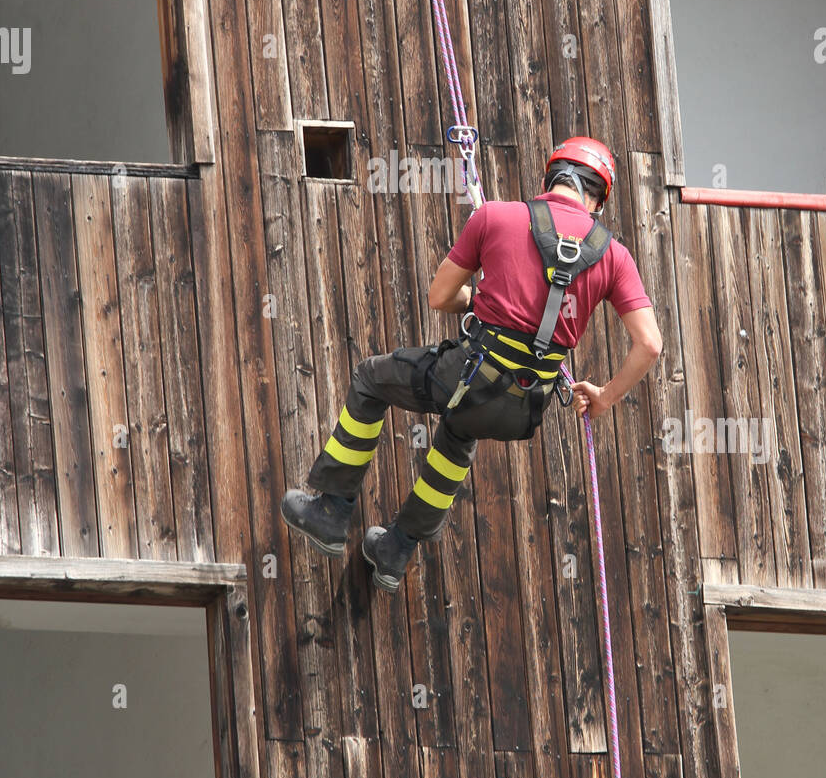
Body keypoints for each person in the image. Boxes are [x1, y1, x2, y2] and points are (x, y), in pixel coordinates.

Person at [281, 137, 662, 592]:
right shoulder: (614, 256)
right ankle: (395, 548)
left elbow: (440, 296)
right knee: (460, 430)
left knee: (370, 380)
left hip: (467, 376)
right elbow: (650, 345)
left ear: (550, 177)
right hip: (523, 408)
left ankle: (331, 509)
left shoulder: (496, 216)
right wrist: (604, 397)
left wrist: (476, 300)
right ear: (598, 197)